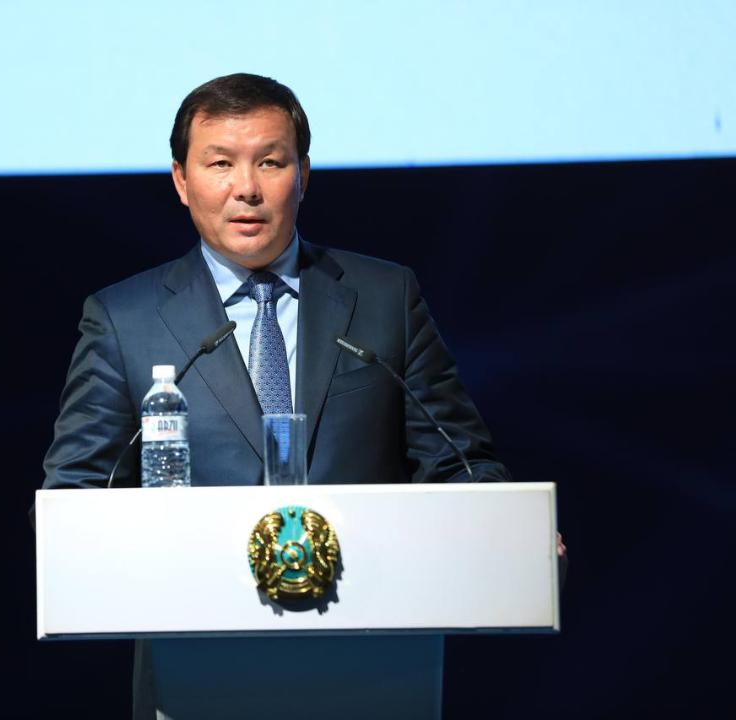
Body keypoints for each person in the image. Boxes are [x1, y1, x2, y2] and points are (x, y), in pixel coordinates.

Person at [39, 73, 563, 718]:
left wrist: (508, 525)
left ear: (304, 174)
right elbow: (75, 495)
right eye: (220, 164)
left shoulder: (383, 298)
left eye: (270, 162)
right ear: (181, 180)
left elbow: (458, 459)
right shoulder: (125, 319)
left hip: (376, 667)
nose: (246, 188)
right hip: (198, 672)